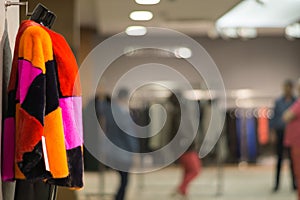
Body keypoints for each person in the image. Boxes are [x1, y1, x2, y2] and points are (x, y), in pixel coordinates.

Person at [97, 88, 139, 200]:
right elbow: (129, 136)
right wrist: (134, 152)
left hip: (111, 150)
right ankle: (119, 197)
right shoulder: (124, 114)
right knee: (125, 179)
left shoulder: (109, 111)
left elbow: (101, 108)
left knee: (122, 178)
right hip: (123, 152)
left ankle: (118, 196)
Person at [168, 93, 202, 199]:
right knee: (195, 170)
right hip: (187, 147)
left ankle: (183, 190)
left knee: (187, 170)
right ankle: (181, 188)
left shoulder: (177, 112)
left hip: (183, 147)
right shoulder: (181, 113)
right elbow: (184, 131)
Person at [270, 80, 297, 192]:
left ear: (292, 88)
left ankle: (295, 184)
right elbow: (273, 117)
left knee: (293, 159)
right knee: (279, 159)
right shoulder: (278, 102)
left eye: (288, 87)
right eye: (285, 87)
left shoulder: (296, 101)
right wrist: (272, 132)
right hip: (280, 132)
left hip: (292, 134)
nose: (286, 89)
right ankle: (276, 184)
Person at [283, 78, 300, 200]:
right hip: (295, 142)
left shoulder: (298, 103)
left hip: (298, 143)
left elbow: (287, 116)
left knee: (298, 172)